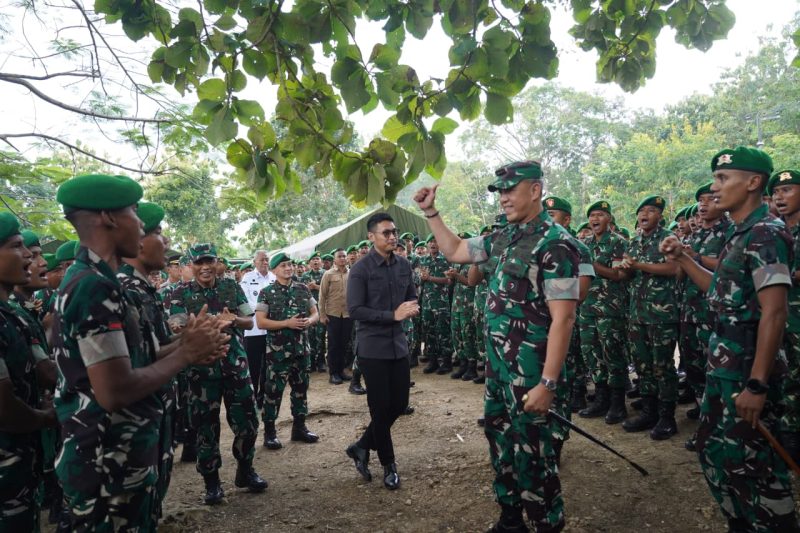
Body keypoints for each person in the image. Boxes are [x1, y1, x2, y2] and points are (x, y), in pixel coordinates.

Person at [51, 174, 230, 529]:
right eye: (135, 212)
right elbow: (114, 390)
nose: (147, 228)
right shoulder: (92, 285)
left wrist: (191, 342)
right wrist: (185, 354)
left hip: (122, 456)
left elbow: (139, 360)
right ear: (110, 218)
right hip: (106, 462)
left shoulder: (98, 280)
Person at [415, 161, 579, 533]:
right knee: (501, 441)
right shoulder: (504, 237)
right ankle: (510, 519)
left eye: (510, 189)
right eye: (499, 191)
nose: (503, 197)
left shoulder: (556, 245)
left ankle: (545, 524)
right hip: (500, 370)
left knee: (534, 455)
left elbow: (563, 319)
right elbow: (456, 250)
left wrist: (548, 383)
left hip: (532, 373)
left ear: (535, 190)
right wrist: (431, 213)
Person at [660, 147, 799, 532]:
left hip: (749, 373)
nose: (715, 188)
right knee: (714, 452)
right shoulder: (740, 233)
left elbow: (775, 311)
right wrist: (685, 256)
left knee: (755, 466)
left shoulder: (767, 233)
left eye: (723, 179)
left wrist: (757, 384)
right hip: (723, 369)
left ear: (753, 183)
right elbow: (718, 290)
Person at [167, 242, 267, 505]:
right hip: (200, 372)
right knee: (205, 429)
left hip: (235, 366)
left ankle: (245, 471)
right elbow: (175, 325)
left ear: (216, 262)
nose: (204, 267)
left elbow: (249, 320)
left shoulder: (231, 286)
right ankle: (211, 483)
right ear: (191, 265)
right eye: (198, 263)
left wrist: (233, 319)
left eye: (208, 261)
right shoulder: (179, 293)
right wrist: (202, 323)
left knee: (248, 423)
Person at [345, 212, 419, 491]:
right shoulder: (361, 269)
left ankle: (361, 446)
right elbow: (356, 310)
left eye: (394, 232)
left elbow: (411, 296)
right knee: (380, 409)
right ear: (371, 237)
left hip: (398, 346)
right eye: (386, 233)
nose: (392, 237)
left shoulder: (403, 265)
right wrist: (393, 314)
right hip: (373, 349)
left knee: (399, 405)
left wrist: (411, 307)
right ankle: (389, 464)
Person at [0, 214, 58, 532]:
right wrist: (47, 417)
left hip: (23, 465)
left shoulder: (16, 316)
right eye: (17, 247)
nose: (29, 257)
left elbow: (46, 370)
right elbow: (4, 407)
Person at [615, 195, 680, 440]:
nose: (644, 215)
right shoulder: (633, 242)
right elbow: (627, 276)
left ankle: (667, 417)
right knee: (643, 365)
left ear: (660, 215)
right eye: (641, 211)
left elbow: (674, 269)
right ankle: (649, 410)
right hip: (637, 313)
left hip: (661, 314)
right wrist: (625, 270)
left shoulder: (668, 239)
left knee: (662, 366)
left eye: (651, 210)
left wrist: (639, 265)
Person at [679, 182, 730, 451]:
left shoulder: (730, 232)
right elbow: (682, 271)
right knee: (695, 369)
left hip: (715, 314)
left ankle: (719, 428)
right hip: (690, 312)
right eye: (700, 200)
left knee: (717, 372)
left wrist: (695, 257)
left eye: (709, 199)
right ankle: (705, 422)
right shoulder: (695, 236)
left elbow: (727, 265)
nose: (703, 204)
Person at [255, 252, 320, 449]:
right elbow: (260, 322)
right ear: (274, 270)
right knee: (273, 393)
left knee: (300, 391)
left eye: (290, 264)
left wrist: (309, 321)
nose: (288, 268)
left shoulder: (302, 289)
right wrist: (287, 323)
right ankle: (270, 433)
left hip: (301, 350)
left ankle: (299, 428)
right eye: (283, 265)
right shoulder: (266, 292)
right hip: (277, 353)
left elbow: (316, 313)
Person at [578, 201, 629, 424]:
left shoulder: (618, 243)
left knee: (612, 354)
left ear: (609, 219)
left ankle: (618, 404)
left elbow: (619, 275)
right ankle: (601, 399)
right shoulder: (584, 244)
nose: (594, 219)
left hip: (611, 308)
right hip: (587, 308)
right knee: (592, 352)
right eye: (592, 216)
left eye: (599, 215)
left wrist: (593, 265)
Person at [767, 168, 800, 461]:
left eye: (787, 191)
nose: (779, 197)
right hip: (782, 317)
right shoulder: (777, 231)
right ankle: (786, 433)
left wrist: (775, 274)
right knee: (785, 376)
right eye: (776, 193)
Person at [240, 250, 275, 409]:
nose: (265, 262)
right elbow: (245, 302)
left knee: (268, 367)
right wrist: (266, 307)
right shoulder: (247, 279)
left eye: (267, 259)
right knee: (253, 367)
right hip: (253, 330)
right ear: (254, 262)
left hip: (272, 329)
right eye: (261, 260)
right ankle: (252, 399)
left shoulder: (274, 278)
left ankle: (264, 398)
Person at [318, 248, 356, 386]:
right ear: (334, 259)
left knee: (344, 344)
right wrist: (322, 315)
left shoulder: (351, 273)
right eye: (339, 256)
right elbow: (322, 296)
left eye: (344, 256)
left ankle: (341, 371)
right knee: (334, 345)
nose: (342, 258)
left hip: (347, 315)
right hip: (332, 314)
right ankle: (333, 373)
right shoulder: (328, 274)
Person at [418, 235, 453, 374]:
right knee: (429, 332)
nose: (433, 244)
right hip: (427, 303)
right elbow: (420, 280)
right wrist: (421, 278)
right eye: (430, 242)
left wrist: (430, 278)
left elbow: (449, 281)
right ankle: (432, 361)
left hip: (441, 303)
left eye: (435, 241)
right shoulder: (423, 260)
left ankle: (446, 362)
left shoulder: (445, 260)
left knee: (443, 332)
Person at [301, 252, 327, 372]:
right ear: (309, 263)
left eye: (317, 259)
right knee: (310, 336)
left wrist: (316, 287)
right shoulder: (305, 276)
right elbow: (301, 291)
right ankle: (311, 362)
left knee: (321, 336)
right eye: (313, 259)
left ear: (321, 261)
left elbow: (329, 290)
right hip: (309, 311)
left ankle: (321, 361)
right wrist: (307, 287)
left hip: (322, 309)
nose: (316, 261)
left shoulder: (326, 274)